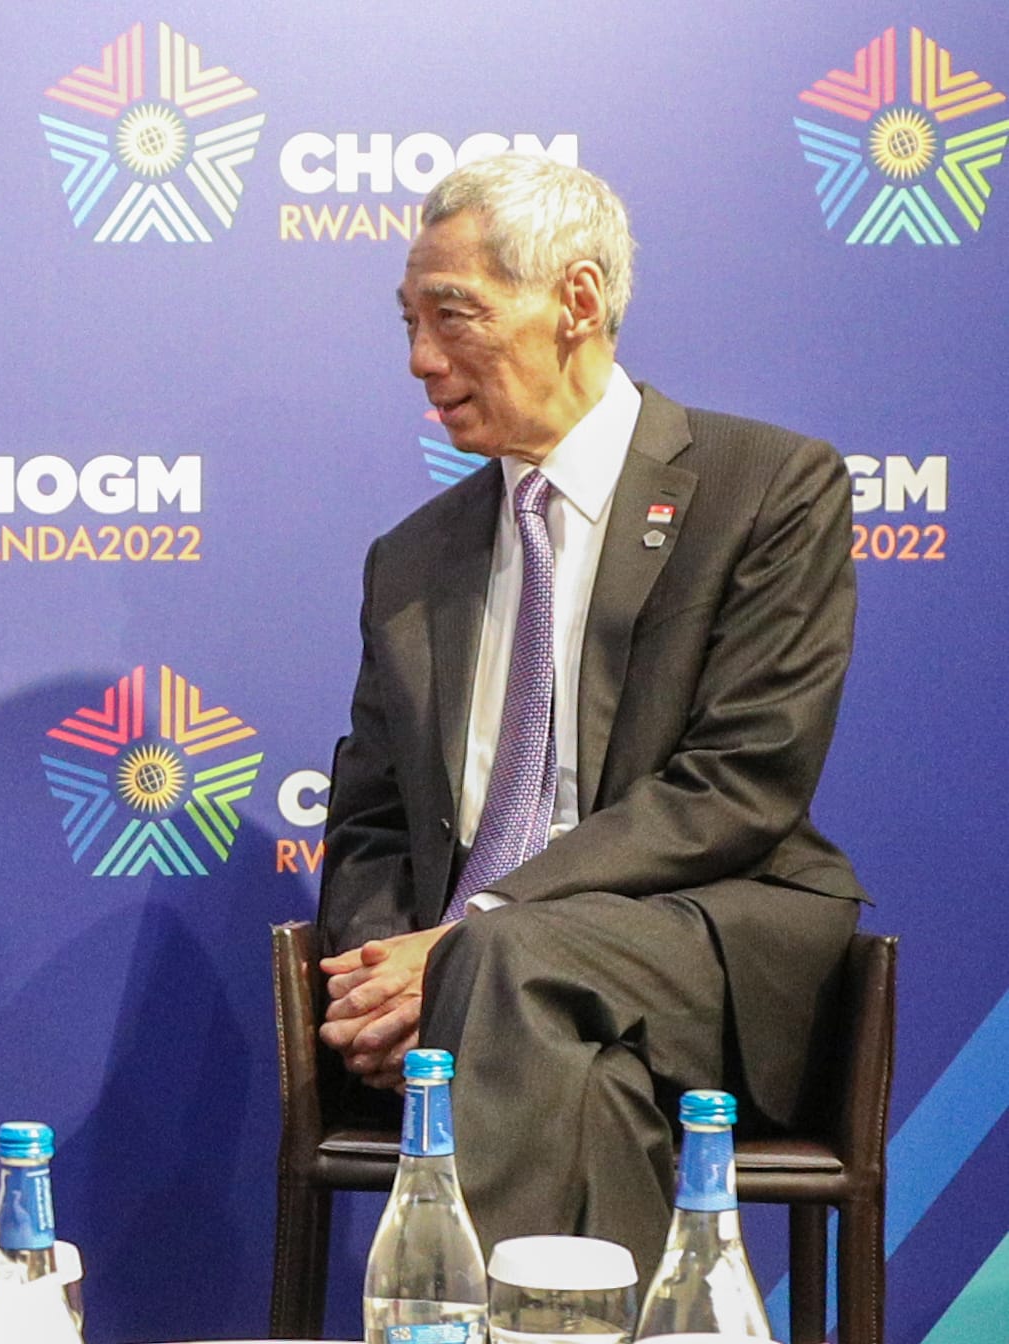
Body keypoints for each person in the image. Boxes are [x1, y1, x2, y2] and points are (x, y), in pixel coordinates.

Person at [315, 155, 866, 1278]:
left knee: (506, 959)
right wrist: (380, 976)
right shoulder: (412, 558)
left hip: (705, 944)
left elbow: (742, 783)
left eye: (453, 315)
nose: (421, 359)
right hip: (507, 992)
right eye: (409, 323)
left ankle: (447, 1320)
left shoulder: (767, 487)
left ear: (575, 300)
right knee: (584, 1085)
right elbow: (372, 820)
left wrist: (472, 937)